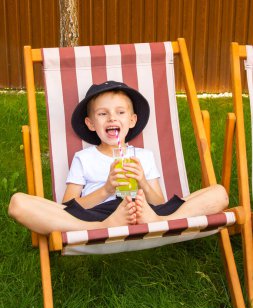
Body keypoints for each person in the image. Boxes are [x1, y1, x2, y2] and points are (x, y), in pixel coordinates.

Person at [8, 81, 228, 235]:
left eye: (120, 112)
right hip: (98, 216)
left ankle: (162, 223)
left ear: (132, 120)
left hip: (146, 211)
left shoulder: (143, 156)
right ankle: (102, 228)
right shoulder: (84, 158)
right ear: (91, 124)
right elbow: (68, 207)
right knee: (18, 203)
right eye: (103, 114)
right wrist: (106, 190)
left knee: (219, 193)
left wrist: (142, 182)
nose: (112, 117)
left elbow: (159, 201)